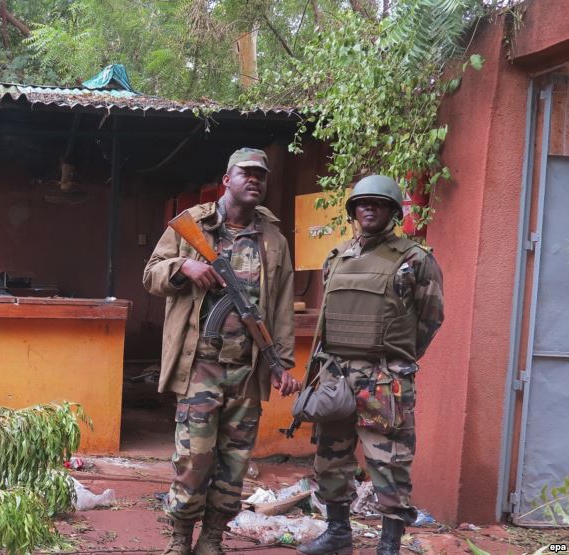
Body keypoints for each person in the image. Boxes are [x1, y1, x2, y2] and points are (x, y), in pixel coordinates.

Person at [143, 148, 300, 555]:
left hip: (247, 371)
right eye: (245, 173)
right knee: (194, 459)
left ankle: (212, 538)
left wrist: (280, 363)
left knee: (233, 466)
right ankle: (180, 538)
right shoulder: (193, 225)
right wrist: (184, 267)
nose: (254, 181)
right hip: (201, 366)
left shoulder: (274, 240)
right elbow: (151, 275)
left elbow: (281, 307)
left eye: (260, 177)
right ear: (226, 179)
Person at [297, 175, 445, 555]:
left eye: (378, 203)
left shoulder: (415, 260)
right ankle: (338, 533)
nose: (369, 208)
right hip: (336, 375)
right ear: (352, 211)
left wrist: (397, 361)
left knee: (389, 464)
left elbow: (431, 319)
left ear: (393, 211)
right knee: (330, 458)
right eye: (362, 203)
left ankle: (389, 544)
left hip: (383, 379)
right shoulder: (337, 257)